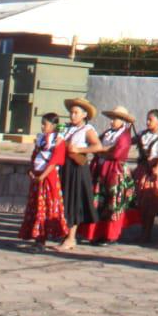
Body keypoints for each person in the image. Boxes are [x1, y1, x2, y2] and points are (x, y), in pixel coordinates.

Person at [84, 105, 137, 244]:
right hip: (101, 170)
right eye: (112, 119)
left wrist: (102, 151)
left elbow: (117, 153)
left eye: (115, 119)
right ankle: (96, 233)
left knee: (113, 203)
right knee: (99, 202)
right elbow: (96, 145)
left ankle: (110, 235)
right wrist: (101, 150)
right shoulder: (108, 133)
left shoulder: (124, 136)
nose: (111, 122)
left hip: (114, 172)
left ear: (122, 121)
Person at [56, 98, 101, 252]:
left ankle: (71, 237)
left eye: (76, 113)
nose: (72, 116)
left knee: (74, 202)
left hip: (76, 168)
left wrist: (80, 150)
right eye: (71, 112)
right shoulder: (66, 128)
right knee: (64, 201)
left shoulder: (87, 130)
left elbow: (97, 146)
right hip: (64, 167)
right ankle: (64, 233)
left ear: (84, 114)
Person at [19, 113, 69, 248]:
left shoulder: (58, 140)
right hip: (37, 175)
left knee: (46, 207)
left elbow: (55, 160)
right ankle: (37, 237)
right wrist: (31, 169)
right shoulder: (40, 139)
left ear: (53, 126)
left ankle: (43, 238)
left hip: (48, 177)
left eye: (45, 124)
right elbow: (35, 155)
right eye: (42, 123)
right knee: (36, 206)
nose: (42, 126)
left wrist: (43, 175)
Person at [133, 109, 158, 244]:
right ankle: (143, 230)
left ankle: (147, 233)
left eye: (151, 119)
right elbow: (129, 141)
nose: (147, 122)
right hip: (142, 170)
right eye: (147, 119)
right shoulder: (142, 135)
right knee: (142, 202)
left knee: (150, 202)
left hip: (153, 172)